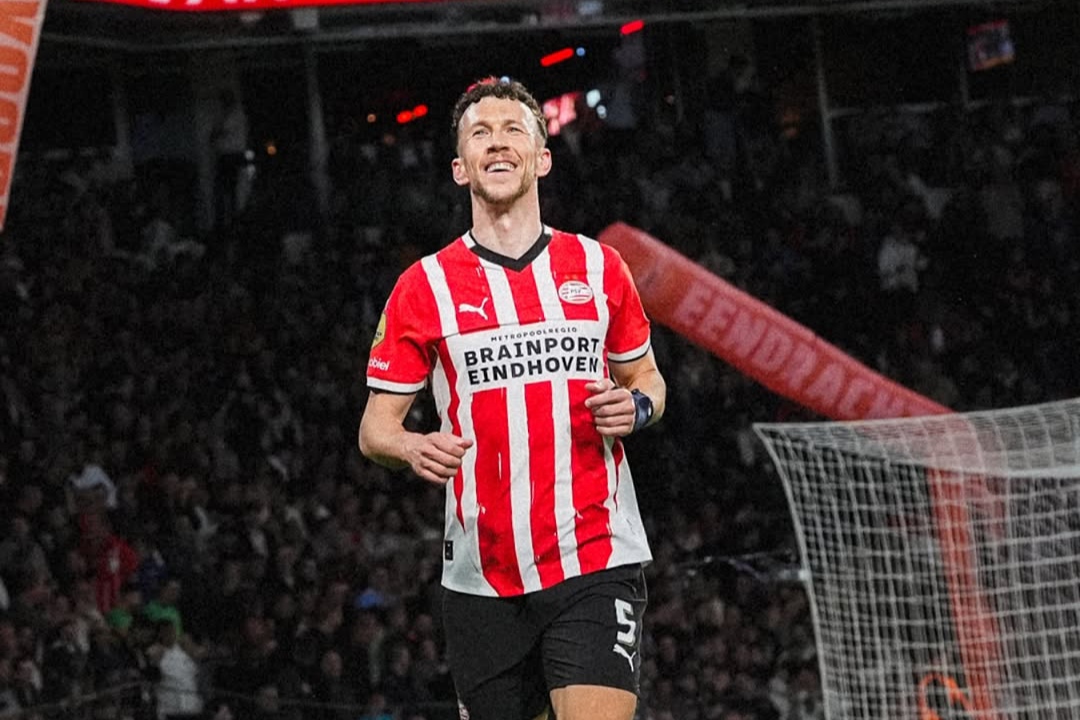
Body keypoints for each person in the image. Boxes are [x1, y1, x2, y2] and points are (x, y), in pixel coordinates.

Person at [358, 77, 666, 720]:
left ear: (542, 158)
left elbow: (648, 379)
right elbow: (375, 430)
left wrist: (635, 407)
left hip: (594, 556)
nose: (497, 143)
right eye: (480, 133)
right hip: (481, 575)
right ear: (459, 168)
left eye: (512, 130)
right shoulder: (423, 287)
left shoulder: (599, 267)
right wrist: (411, 446)